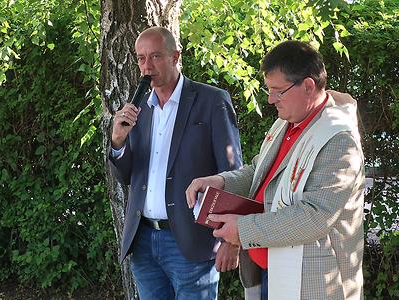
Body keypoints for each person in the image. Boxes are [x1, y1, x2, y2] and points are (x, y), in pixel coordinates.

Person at [186, 40, 365, 300]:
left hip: (310, 284)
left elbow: (316, 216)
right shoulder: (289, 121)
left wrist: (244, 230)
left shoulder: (338, 139)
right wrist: (220, 182)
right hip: (271, 270)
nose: (270, 100)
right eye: (269, 90)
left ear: (308, 86)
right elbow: (259, 171)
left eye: (278, 91)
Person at [108, 26, 243, 300]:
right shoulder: (139, 109)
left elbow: (233, 172)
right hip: (143, 241)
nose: (147, 67)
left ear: (175, 56)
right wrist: (118, 143)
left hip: (191, 241)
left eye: (155, 56)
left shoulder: (211, 101)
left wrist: (232, 239)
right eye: (141, 58)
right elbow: (127, 177)